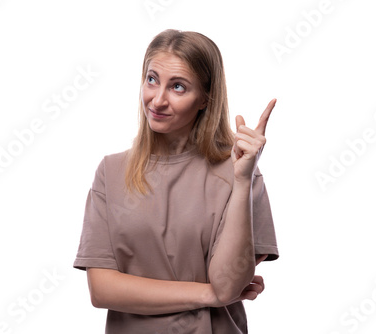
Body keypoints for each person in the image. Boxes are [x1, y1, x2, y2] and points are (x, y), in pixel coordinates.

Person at [73, 29, 279, 334]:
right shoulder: (111, 172)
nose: (157, 100)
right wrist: (209, 294)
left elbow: (227, 282)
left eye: (178, 87)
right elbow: (102, 290)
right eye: (152, 79)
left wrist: (242, 181)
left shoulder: (238, 172)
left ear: (205, 99)